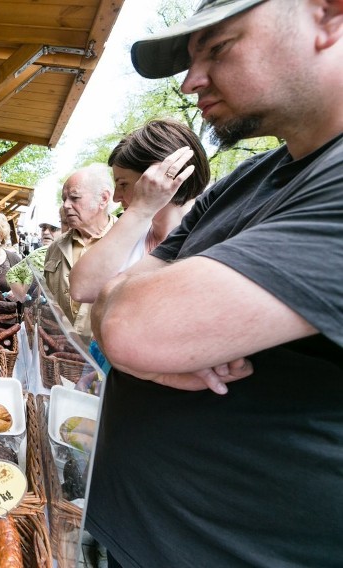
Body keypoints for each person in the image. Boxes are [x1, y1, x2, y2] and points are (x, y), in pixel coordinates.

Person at [86, 0, 343, 566]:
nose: (189, 82)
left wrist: (131, 336)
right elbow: (103, 297)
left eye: (219, 48)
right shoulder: (250, 179)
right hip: (136, 533)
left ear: (327, 15)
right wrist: (135, 336)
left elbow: (129, 322)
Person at [70, 119, 210, 304]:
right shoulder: (134, 232)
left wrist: (141, 207)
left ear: (163, 175)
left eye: (123, 184)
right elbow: (81, 289)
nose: (116, 198)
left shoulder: (210, 238)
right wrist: (140, 210)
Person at [41, 165, 116, 343]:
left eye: (74, 198)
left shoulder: (129, 241)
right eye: (64, 199)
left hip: (108, 357)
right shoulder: (55, 248)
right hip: (63, 353)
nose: (66, 205)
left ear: (103, 199)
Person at [7, 211, 63, 301]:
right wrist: (18, 292)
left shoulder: (73, 256)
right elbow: (13, 275)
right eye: (43, 228)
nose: (46, 232)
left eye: (53, 228)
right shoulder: (35, 255)